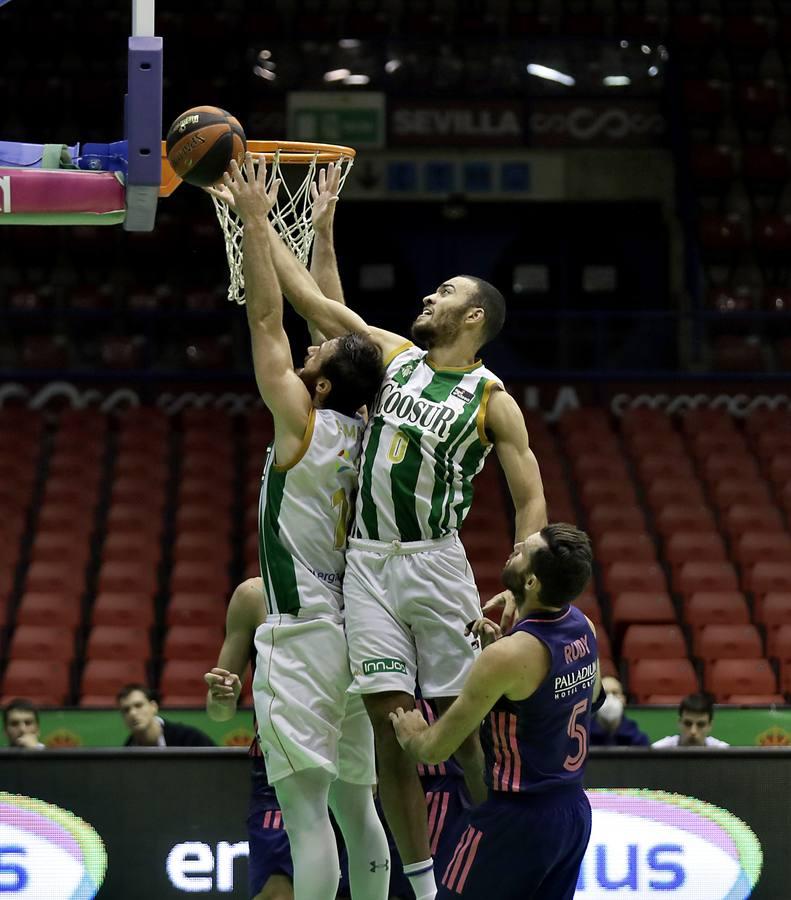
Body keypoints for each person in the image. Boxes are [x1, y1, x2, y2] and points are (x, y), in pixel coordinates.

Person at [249, 164, 547, 900]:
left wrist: (516, 582)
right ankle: (420, 883)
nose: (429, 296)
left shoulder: (492, 399)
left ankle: (484, 815)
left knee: (459, 718)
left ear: (474, 316)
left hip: (436, 559)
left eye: (445, 292)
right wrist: (300, 228)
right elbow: (318, 306)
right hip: (368, 565)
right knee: (388, 722)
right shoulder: (394, 360)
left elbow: (529, 494)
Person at [216, 156, 390, 900]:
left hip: (301, 630)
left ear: (316, 383)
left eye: (313, 355)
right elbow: (332, 320)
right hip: (357, 624)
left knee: (306, 810)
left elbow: (266, 319)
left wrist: (257, 221)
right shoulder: (366, 425)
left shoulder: (301, 423)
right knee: (357, 803)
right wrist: (319, 233)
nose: (309, 344)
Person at [391, 524, 602, 900]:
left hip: (514, 818)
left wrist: (411, 733)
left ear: (533, 582)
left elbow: (436, 750)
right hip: (572, 813)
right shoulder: (584, 627)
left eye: (525, 551)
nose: (516, 547)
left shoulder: (507, 656)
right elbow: (586, 697)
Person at [205, 578, 293, 900]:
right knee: (276, 893)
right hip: (276, 767)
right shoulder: (253, 596)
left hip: (352, 762)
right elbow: (218, 711)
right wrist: (222, 698)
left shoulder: (355, 583)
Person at [117, 684, 215, 747]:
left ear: (154, 707)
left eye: (138, 705)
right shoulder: (128, 749)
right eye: (126, 710)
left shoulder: (189, 738)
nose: (132, 713)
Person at [652, 692, 730, 748]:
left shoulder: (724, 754)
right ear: (679, 723)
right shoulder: (659, 751)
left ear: (709, 726)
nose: (693, 731)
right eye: (688, 724)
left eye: (701, 725)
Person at [590, 675, 649, 747]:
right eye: (604, 693)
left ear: (624, 699)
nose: (610, 698)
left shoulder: (638, 740)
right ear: (595, 700)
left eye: (615, 693)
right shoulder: (583, 738)